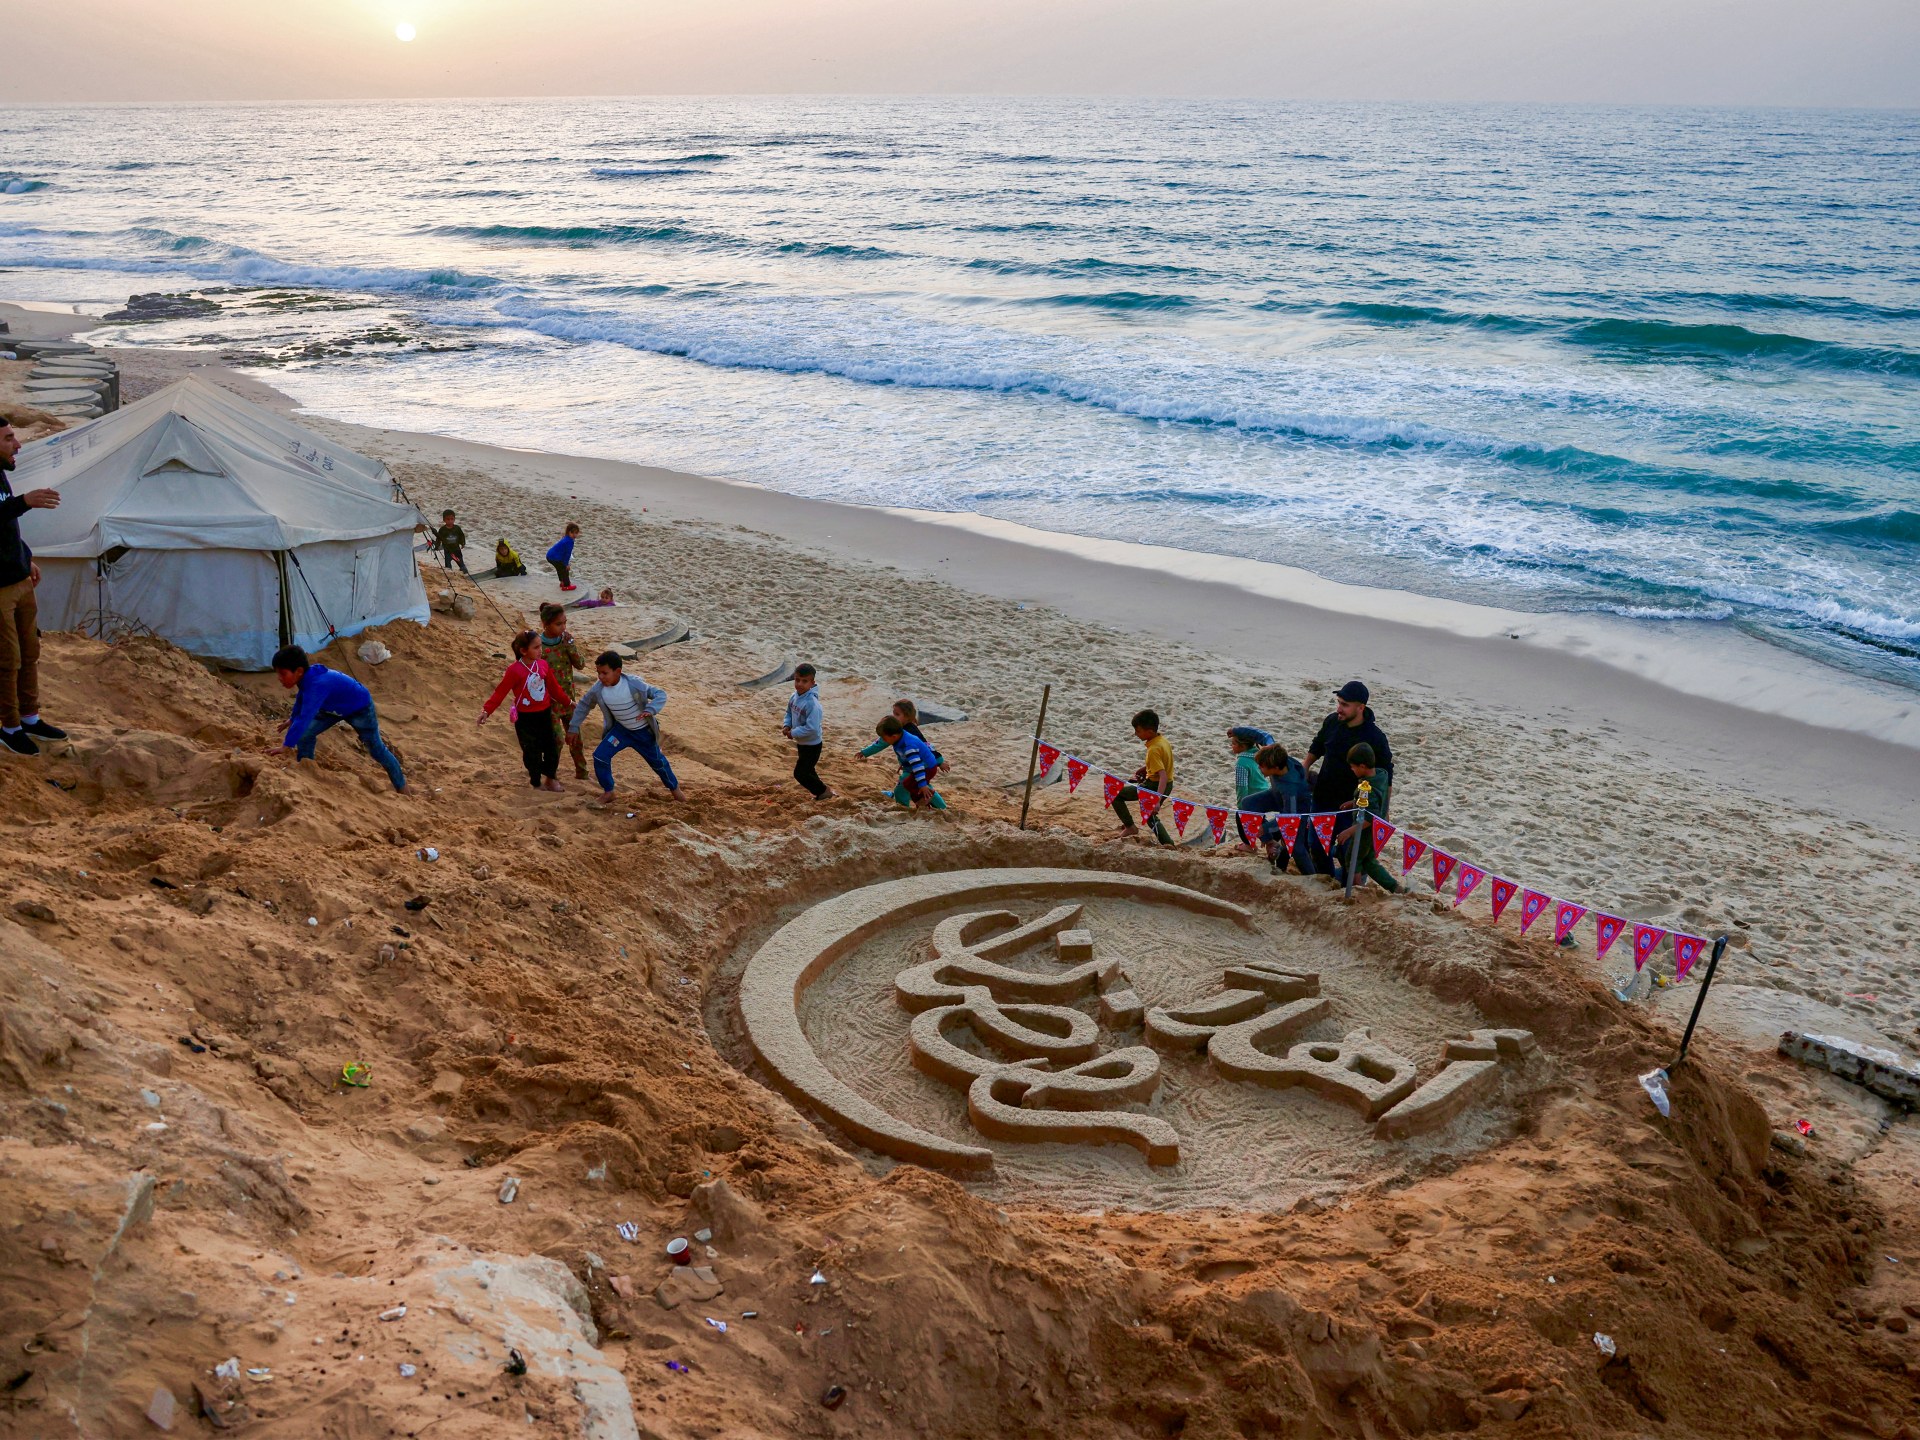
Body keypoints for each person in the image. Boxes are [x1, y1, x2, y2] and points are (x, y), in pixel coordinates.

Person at [0, 416, 66, 756]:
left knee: (29, 652)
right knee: (7, 660)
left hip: (20, 579)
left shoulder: (1, 474)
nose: (18, 444)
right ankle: (9, 727)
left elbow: (6, 528)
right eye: (10, 438)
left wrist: (26, 558)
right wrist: (25, 500)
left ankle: (30, 718)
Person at [272, 643, 406, 791]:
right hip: (332, 708)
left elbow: (305, 717)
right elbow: (301, 698)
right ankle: (307, 770)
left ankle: (402, 787)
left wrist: (286, 746)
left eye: (283, 674)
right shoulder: (306, 679)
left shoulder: (317, 684)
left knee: (376, 749)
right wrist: (291, 719)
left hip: (359, 708)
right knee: (305, 734)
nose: (279, 678)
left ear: (298, 671)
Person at [568, 650, 681, 805]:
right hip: (621, 732)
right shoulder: (598, 688)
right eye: (598, 673)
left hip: (643, 733)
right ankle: (609, 792)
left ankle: (675, 790)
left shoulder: (633, 684)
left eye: (604, 673)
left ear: (618, 672)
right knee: (600, 756)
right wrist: (573, 727)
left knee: (658, 763)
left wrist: (650, 709)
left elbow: (660, 694)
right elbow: (584, 705)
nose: (600, 677)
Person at [1304, 680, 1394, 869]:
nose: (1339, 709)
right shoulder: (1332, 722)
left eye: (1344, 705)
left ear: (1360, 707)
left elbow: (1387, 774)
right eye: (1338, 702)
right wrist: (1305, 765)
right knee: (1317, 846)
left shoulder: (1375, 737)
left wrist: (1384, 811)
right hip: (1323, 796)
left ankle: (1348, 884)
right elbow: (1318, 745)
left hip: (1352, 804)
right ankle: (1326, 880)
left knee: (1348, 852)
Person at [477, 629, 565, 792]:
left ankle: (551, 778)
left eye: (540, 646)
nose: (540, 651)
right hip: (525, 718)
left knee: (551, 747)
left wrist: (568, 702)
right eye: (536, 647)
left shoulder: (543, 665)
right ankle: (536, 782)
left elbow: (554, 688)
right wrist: (486, 711)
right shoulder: (514, 670)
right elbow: (500, 692)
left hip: (544, 714)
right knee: (531, 751)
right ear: (523, 651)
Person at [1235, 743, 1315, 873]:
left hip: (1297, 812)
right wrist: (1238, 731)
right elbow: (1262, 737)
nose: (1259, 769)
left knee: (1296, 848)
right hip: (1276, 795)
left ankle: (1313, 877)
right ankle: (1270, 842)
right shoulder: (1280, 758)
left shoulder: (1290, 787)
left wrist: (1264, 828)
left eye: (1262, 767)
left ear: (1275, 768)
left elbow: (1290, 818)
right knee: (1248, 804)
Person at [1331, 743, 1399, 893]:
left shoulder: (1369, 787)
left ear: (1362, 766)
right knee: (1369, 861)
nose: (1352, 770)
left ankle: (1357, 890)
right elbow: (1371, 802)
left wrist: (1349, 831)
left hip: (1365, 831)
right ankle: (1394, 887)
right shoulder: (1380, 776)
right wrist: (1354, 803)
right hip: (1375, 829)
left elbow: (1369, 816)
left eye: (1353, 767)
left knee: (1353, 859)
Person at [536, 603, 590, 781]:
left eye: (564, 623)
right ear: (546, 624)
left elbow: (580, 664)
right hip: (549, 702)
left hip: (569, 700)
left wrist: (570, 647)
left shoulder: (567, 641)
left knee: (576, 738)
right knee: (556, 740)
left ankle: (582, 773)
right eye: (558, 624)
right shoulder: (538, 646)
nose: (563, 627)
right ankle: (550, 776)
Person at [857, 699, 946, 806]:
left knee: (910, 785)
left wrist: (940, 761)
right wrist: (865, 752)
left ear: (907, 717)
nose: (894, 716)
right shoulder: (895, 730)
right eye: (893, 713)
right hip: (911, 765)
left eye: (897, 714)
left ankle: (908, 804)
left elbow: (926, 748)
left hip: (923, 766)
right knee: (910, 784)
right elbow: (881, 742)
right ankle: (907, 798)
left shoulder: (909, 738)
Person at [1110, 709, 1174, 845]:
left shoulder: (1153, 750)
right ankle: (1168, 845)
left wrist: (1157, 799)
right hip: (1167, 783)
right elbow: (1163, 765)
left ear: (1149, 731)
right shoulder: (1162, 741)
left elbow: (1162, 775)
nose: (1135, 734)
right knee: (1150, 817)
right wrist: (1145, 770)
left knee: (1115, 794)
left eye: (1138, 731)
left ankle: (1130, 827)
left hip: (1155, 786)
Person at [783, 663, 834, 800]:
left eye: (804, 681)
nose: (800, 684)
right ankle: (824, 792)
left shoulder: (812, 704)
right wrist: (787, 725)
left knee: (800, 773)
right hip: (802, 743)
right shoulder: (794, 696)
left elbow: (812, 728)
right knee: (808, 770)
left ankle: (823, 791)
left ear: (812, 683)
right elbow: (789, 712)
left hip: (812, 745)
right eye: (797, 680)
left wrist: (793, 733)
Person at [876, 715, 943, 810]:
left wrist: (922, 784)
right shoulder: (901, 736)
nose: (883, 740)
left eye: (884, 738)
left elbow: (917, 766)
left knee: (910, 785)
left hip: (926, 768)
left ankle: (924, 799)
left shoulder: (909, 746)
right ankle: (927, 800)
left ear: (894, 736)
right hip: (924, 765)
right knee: (908, 784)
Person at [1228, 726, 1274, 847]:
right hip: (1264, 791)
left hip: (1251, 795)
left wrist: (1240, 804)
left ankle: (1248, 844)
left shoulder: (1241, 763)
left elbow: (1242, 787)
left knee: (1242, 817)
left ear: (1242, 747)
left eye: (1233, 744)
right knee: (1259, 818)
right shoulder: (1258, 754)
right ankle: (1268, 842)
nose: (1231, 746)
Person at [546, 522, 581, 592]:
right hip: (554, 557)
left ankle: (562, 582)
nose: (574, 535)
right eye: (572, 533)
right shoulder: (569, 542)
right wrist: (566, 564)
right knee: (565, 569)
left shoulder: (566, 538)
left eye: (576, 533)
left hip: (550, 555)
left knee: (559, 568)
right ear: (568, 532)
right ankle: (566, 585)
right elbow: (567, 554)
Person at [431, 510, 469, 574]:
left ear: (454, 519)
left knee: (461, 563)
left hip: (456, 549)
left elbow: (461, 536)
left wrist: (462, 543)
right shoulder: (442, 530)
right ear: (444, 520)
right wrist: (437, 546)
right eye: (448, 519)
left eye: (452, 519)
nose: (450, 521)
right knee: (448, 566)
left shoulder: (457, 528)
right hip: (447, 550)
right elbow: (439, 538)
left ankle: (464, 571)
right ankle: (449, 574)